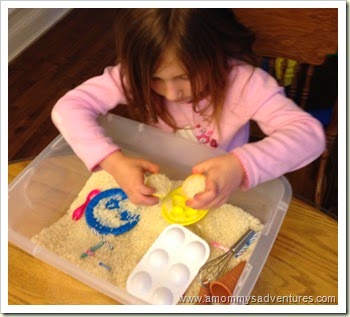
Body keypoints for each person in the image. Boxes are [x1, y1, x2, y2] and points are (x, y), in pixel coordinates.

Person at [51, 9, 325, 209]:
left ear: (216, 55)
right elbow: (68, 108)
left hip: (224, 186)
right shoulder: (134, 75)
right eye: (156, 79)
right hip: (163, 173)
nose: (172, 93)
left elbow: (309, 136)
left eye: (184, 76)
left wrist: (240, 166)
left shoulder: (245, 83)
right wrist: (114, 163)